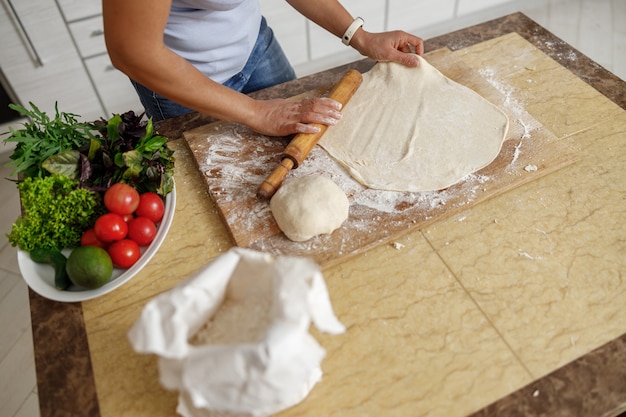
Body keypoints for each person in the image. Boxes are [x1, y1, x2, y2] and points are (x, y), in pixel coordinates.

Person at [103, 0, 424, 137]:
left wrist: (361, 37)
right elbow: (133, 52)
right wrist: (258, 113)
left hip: (254, 44)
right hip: (181, 80)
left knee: (306, 132)